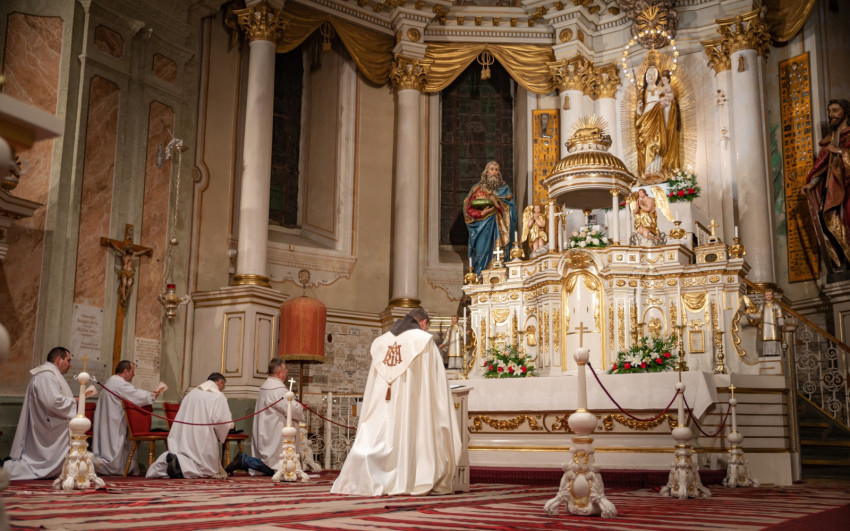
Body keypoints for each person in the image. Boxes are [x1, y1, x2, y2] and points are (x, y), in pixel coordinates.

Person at [331, 308, 461, 496]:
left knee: (380, 434)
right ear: (423, 323)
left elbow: (372, 383)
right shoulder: (423, 341)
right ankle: (411, 478)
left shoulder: (381, 342)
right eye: (426, 326)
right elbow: (436, 385)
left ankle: (367, 476)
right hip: (412, 406)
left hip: (383, 403)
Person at [3, 347, 76, 480]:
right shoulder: (47, 376)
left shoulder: (48, 375)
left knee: (44, 464)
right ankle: (5, 469)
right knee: (40, 466)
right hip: (47, 429)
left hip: (45, 423)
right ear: (58, 360)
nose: (70, 365)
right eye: (68, 360)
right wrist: (74, 402)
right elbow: (52, 402)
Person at [225, 357, 303, 476]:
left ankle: (245, 461)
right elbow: (291, 408)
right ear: (279, 372)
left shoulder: (266, 386)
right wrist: (300, 407)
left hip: (267, 428)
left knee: (274, 464)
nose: (287, 371)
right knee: (276, 466)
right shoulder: (277, 390)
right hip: (275, 432)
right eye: (285, 369)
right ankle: (245, 461)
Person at [146, 373, 233, 479]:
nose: (222, 389)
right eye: (223, 386)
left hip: (183, 435)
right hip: (201, 436)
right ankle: (180, 466)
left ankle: (173, 461)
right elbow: (220, 420)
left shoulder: (191, 393)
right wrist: (228, 426)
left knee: (186, 454)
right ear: (220, 382)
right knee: (204, 467)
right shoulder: (218, 396)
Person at [802, 98, 850, 271]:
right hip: (833, 191)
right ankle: (841, 261)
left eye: (835, 111)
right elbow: (821, 167)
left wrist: (839, 151)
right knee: (830, 219)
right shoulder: (829, 141)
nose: (831, 115)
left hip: (848, 189)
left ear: (845, 113)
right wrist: (811, 183)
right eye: (830, 112)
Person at [92, 360, 161, 476]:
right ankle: (115, 467)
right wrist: (152, 395)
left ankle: (116, 466)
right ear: (125, 371)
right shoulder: (119, 384)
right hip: (115, 422)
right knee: (115, 449)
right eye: (132, 371)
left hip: (108, 421)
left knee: (108, 446)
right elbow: (136, 395)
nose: (134, 374)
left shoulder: (110, 383)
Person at [463, 161, 517, 275]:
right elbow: (468, 209)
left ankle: (500, 274)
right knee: (480, 252)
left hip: (498, 226)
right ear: (486, 172)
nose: (494, 172)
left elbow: (511, 210)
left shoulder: (504, 189)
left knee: (498, 252)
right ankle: (479, 277)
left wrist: (497, 203)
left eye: (496, 170)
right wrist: (481, 213)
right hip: (481, 227)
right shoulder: (477, 189)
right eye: (492, 169)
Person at [635, 64, 680, 182]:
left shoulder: (660, 90)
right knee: (646, 144)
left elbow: (670, 102)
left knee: (656, 142)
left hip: (658, 120)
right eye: (648, 74)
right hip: (645, 120)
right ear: (645, 77)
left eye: (653, 74)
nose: (650, 76)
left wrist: (665, 104)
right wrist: (639, 109)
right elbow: (639, 114)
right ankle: (647, 171)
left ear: (657, 77)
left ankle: (656, 171)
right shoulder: (643, 92)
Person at [747, 290, 785, 357]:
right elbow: (758, 315)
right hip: (765, 327)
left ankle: (775, 354)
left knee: (774, 339)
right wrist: (750, 315)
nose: (768, 296)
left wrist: (781, 323)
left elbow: (780, 315)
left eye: (770, 295)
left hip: (773, 327)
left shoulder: (776, 305)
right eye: (767, 295)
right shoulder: (762, 305)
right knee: (766, 340)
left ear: (772, 295)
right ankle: (767, 354)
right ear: (765, 296)